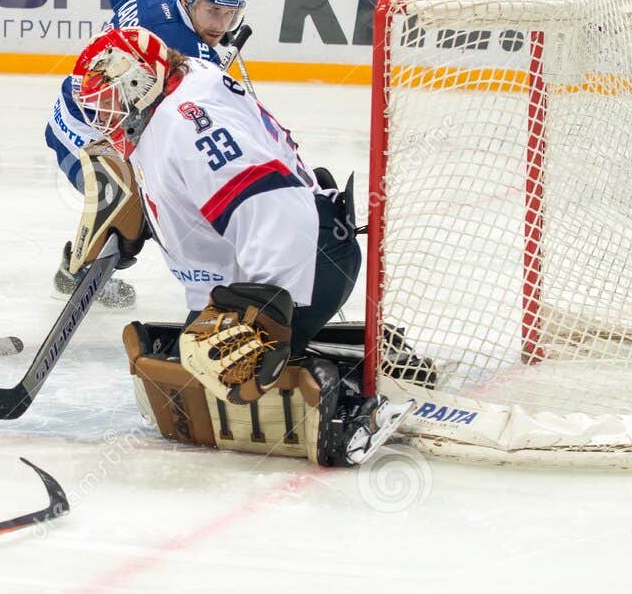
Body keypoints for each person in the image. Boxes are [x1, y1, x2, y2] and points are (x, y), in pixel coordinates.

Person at [62, 27, 414, 468]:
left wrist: (260, 307)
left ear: (141, 81)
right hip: (301, 250)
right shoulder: (179, 84)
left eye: (110, 100)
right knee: (171, 360)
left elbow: (269, 200)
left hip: (304, 258)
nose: (105, 116)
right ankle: (352, 357)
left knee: (214, 368)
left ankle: (350, 412)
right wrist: (148, 216)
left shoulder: (182, 122)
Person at [43, 0, 249, 310]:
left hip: (109, 114)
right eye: (212, 11)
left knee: (142, 193)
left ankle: (90, 256)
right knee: (131, 203)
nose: (221, 24)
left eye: (230, 14)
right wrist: (209, 63)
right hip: (83, 125)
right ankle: (76, 269)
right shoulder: (181, 48)